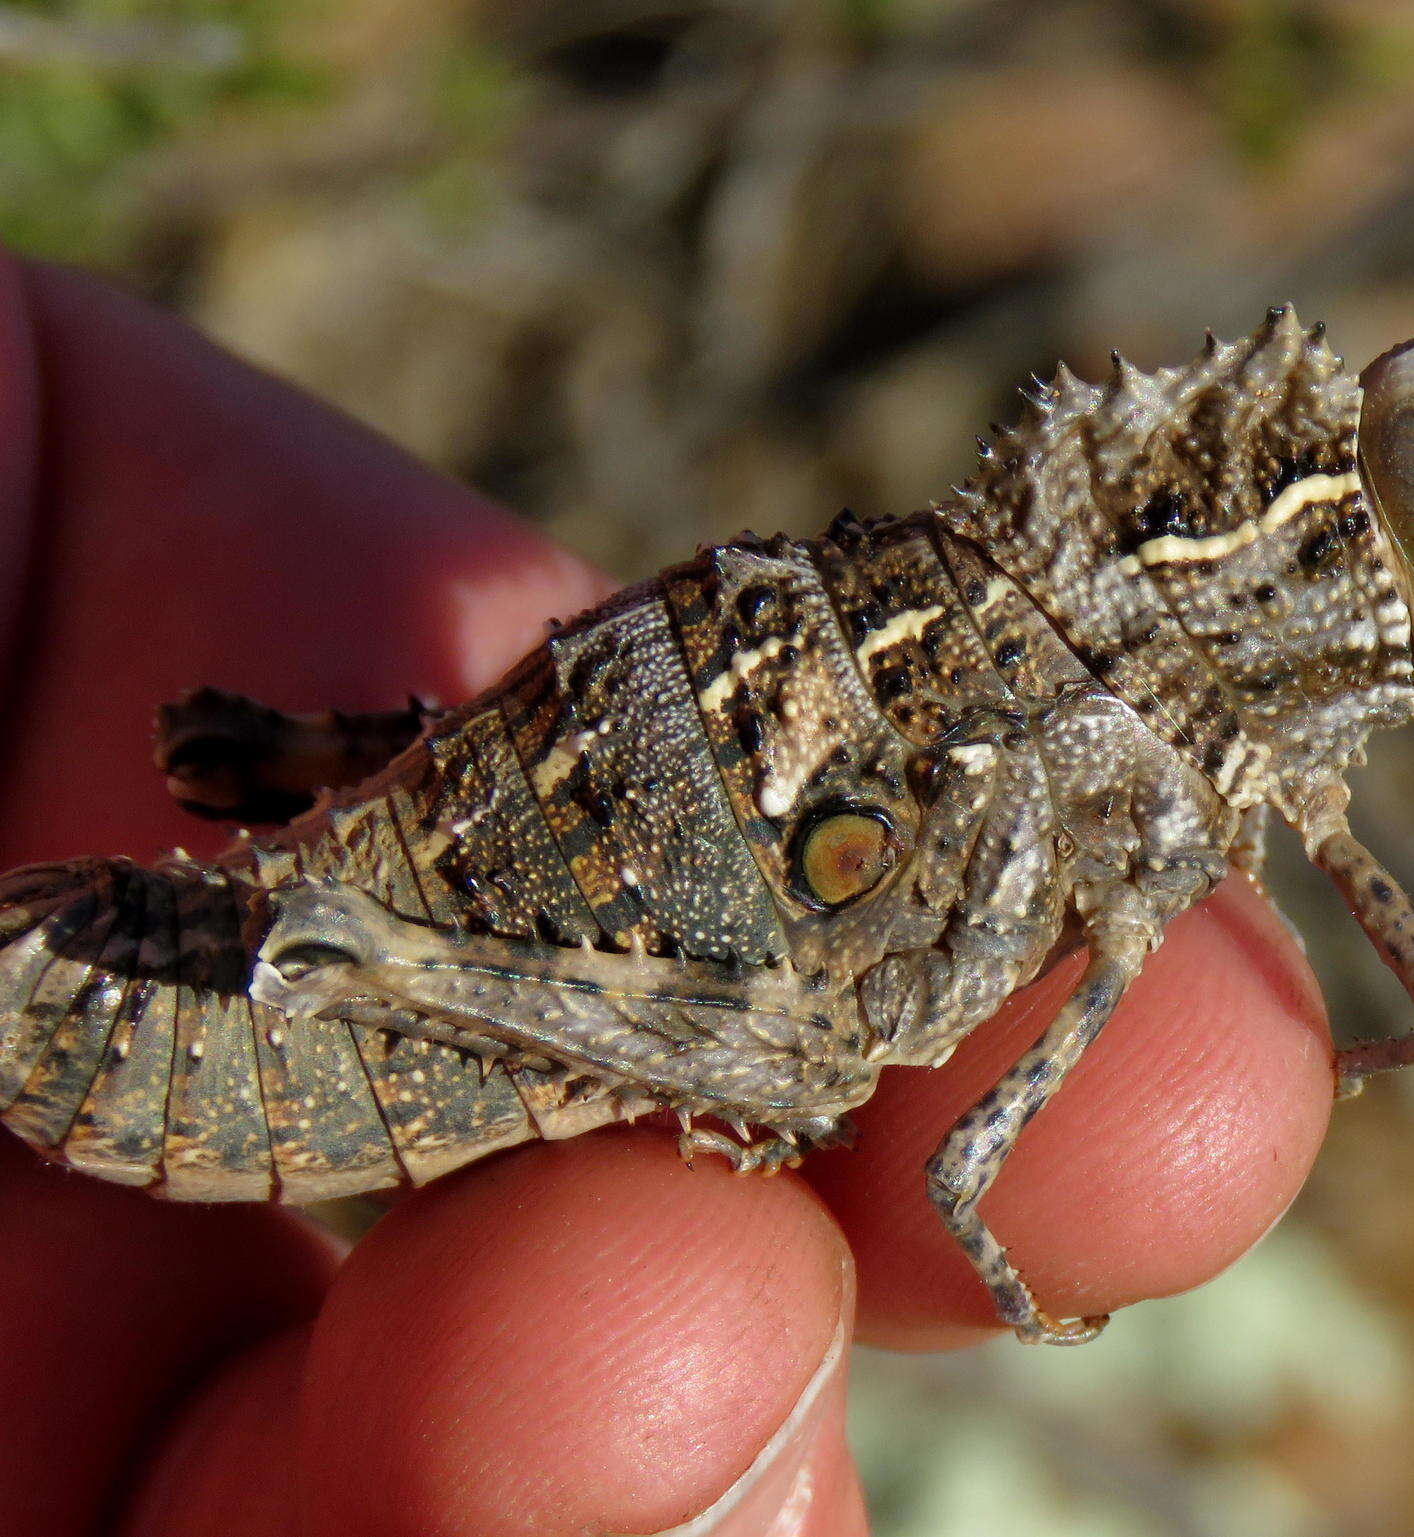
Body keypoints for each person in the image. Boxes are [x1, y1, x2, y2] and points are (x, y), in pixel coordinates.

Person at [0, 255, 1335, 1536]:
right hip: (250, 1022)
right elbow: (924, 1123)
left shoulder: (1098, 712)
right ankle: (311, 960)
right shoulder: (1066, 712)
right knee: (782, 1096)